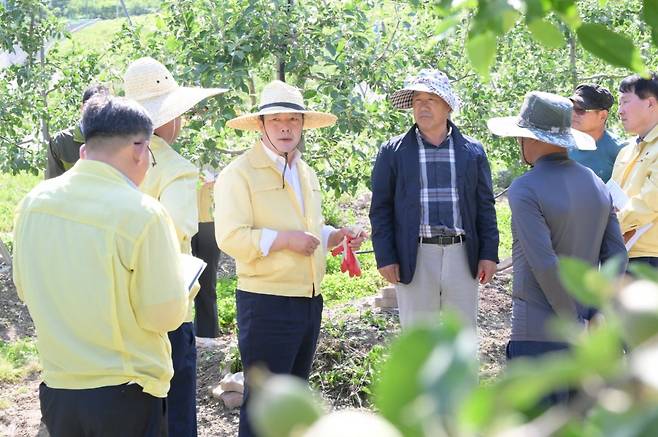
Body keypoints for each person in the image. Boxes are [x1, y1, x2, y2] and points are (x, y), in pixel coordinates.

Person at [13, 95, 189, 436]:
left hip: (58, 388)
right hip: (125, 391)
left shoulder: (33, 203)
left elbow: (25, 287)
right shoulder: (143, 213)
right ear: (139, 149)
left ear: (84, 151)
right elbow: (162, 316)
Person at [214, 80, 366, 437]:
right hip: (267, 303)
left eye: (293, 120)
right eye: (276, 120)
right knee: (265, 405)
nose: (285, 127)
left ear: (302, 125)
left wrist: (334, 237)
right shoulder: (239, 174)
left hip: (308, 301)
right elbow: (230, 237)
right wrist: (283, 241)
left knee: (292, 401)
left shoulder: (304, 171)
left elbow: (308, 229)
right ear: (262, 125)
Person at [487, 91, 627, 404]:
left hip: (537, 334)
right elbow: (617, 254)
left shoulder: (525, 188)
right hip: (588, 334)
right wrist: (595, 315)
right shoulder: (594, 183)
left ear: (531, 140)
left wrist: (572, 324)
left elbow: (545, 264)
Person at [123, 56, 227, 436]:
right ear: (171, 118)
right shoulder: (177, 169)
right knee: (177, 408)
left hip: (123, 306)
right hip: (167, 308)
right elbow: (177, 232)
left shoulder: (116, 161)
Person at [369, 68, 499, 331]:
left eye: (431, 100)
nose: (422, 107)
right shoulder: (393, 152)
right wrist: (385, 256)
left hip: (462, 253)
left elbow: (485, 206)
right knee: (417, 341)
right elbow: (380, 208)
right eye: (417, 100)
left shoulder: (471, 152)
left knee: (462, 338)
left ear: (448, 106)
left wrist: (489, 253)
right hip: (415, 253)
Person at [610, 73, 658, 269]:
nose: (620, 111)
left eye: (625, 102)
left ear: (651, 104)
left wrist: (608, 228)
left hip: (650, 257)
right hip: (620, 251)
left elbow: (649, 202)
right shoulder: (626, 150)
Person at [46, 84, 110, 178]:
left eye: (105, 110)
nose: (99, 115)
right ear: (82, 108)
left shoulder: (118, 140)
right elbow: (51, 185)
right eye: (94, 109)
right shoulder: (60, 143)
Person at [567, 83, 624, 182]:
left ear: (602, 116)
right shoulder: (560, 144)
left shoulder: (620, 151)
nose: (573, 113)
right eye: (571, 108)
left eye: (580, 110)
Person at [193, 166, 221, 346]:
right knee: (185, 280)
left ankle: (208, 333)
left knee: (207, 280)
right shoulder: (179, 156)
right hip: (184, 223)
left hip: (210, 225)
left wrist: (216, 179)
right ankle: (185, 332)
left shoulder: (215, 152)